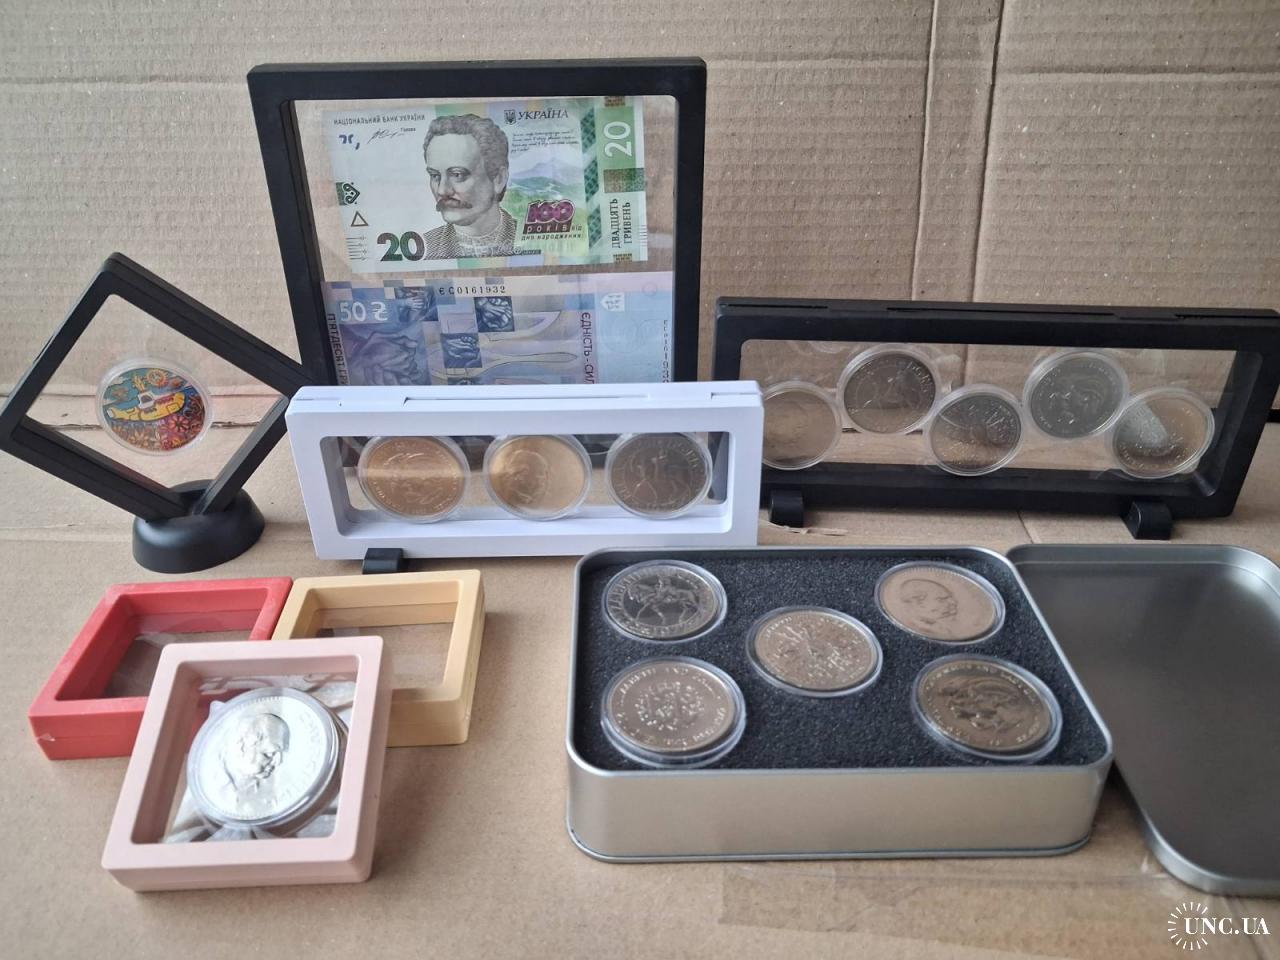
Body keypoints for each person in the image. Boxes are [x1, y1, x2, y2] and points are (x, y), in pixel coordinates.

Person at [422, 114, 518, 259]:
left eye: (457, 175)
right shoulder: (425, 245)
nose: (442, 190)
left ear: (498, 179)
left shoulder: (528, 240)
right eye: (435, 176)